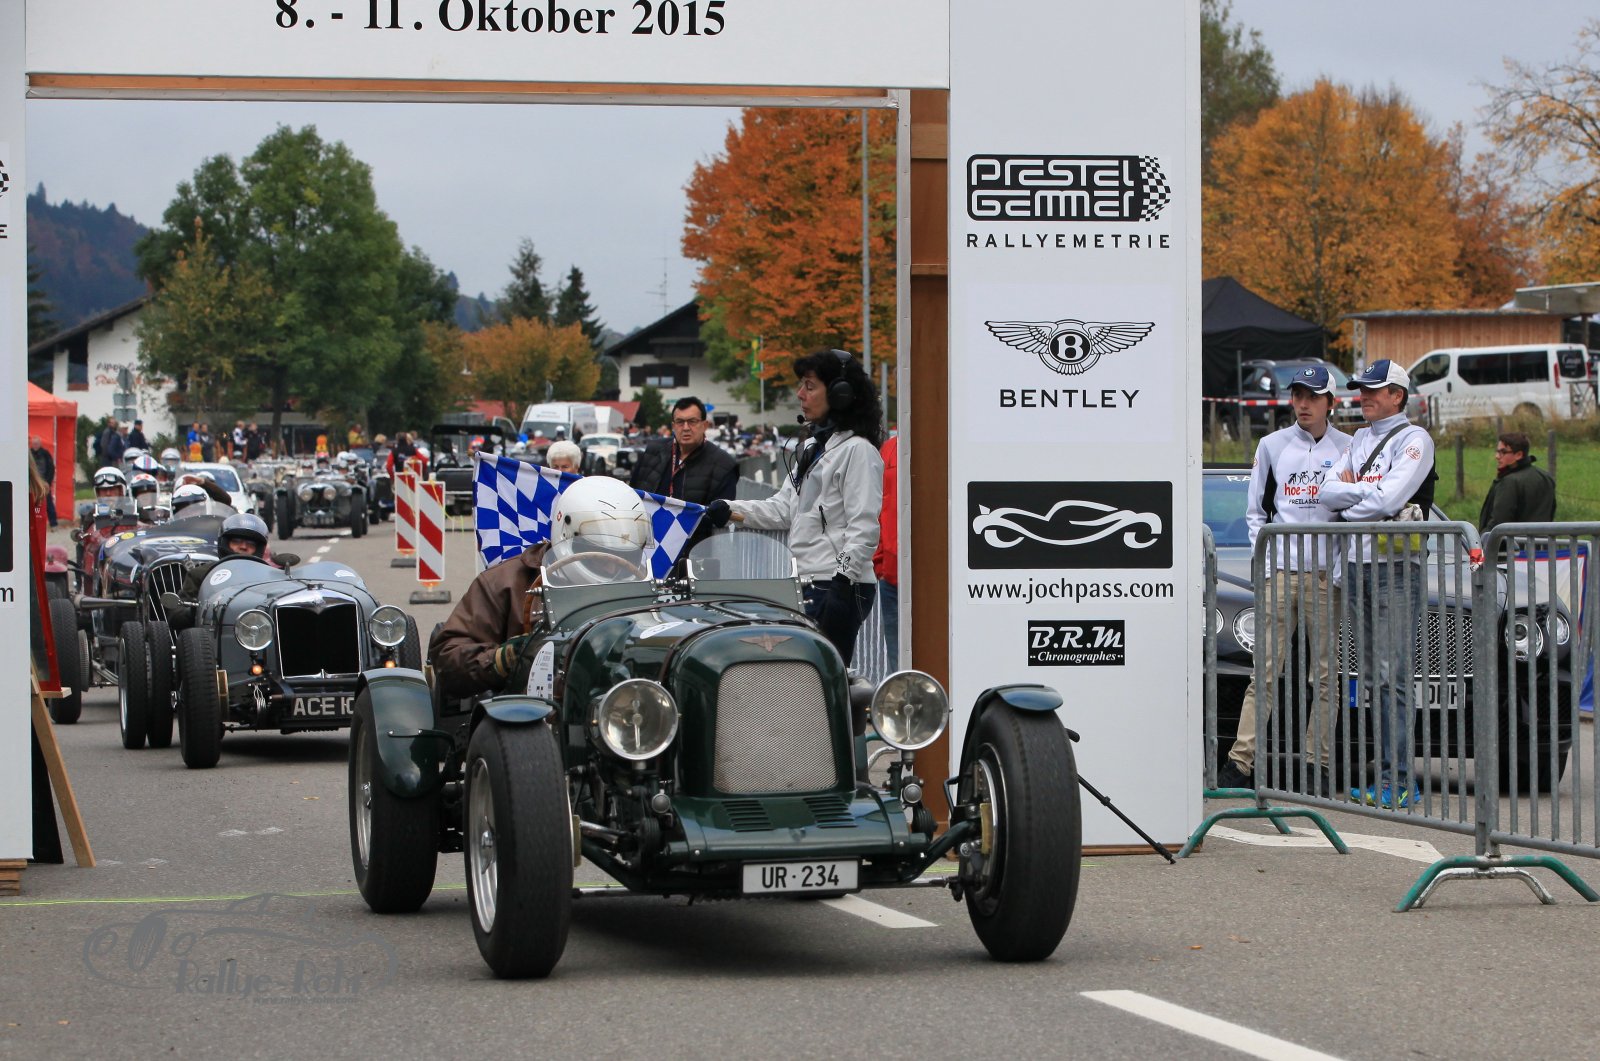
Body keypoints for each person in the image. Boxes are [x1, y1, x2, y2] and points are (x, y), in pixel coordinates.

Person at [1215, 365, 1352, 795]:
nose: (1303, 404)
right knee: (1264, 672)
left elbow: (1354, 512)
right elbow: (1256, 512)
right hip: (1281, 574)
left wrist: (1341, 568)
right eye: (1297, 396)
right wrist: (1266, 563)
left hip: (1326, 577)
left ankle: (1318, 766)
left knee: (1325, 676)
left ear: (1330, 402)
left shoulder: (1349, 448)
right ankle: (1241, 762)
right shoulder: (1271, 445)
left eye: (1312, 396)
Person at [706, 349, 884, 668]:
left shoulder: (858, 451)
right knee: (803, 676)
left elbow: (864, 528)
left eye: (810, 386)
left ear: (840, 394)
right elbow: (782, 509)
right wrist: (729, 509)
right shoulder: (813, 449)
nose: (800, 394)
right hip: (809, 581)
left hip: (838, 584)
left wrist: (842, 583)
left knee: (823, 676)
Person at [1319, 359, 1438, 810]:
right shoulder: (1358, 440)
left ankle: (1400, 780)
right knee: (1373, 678)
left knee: (1393, 677)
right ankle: (1386, 776)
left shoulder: (1414, 439)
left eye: (1374, 390)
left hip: (1396, 568)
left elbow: (1390, 499)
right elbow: (1326, 493)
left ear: (1397, 396)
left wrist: (1352, 499)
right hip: (1355, 565)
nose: (1364, 396)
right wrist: (1364, 498)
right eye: (1361, 389)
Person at [429, 476, 650, 699]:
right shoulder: (504, 582)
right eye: (601, 556)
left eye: (623, 556)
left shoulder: (641, 583)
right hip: (526, 708)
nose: (612, 567)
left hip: (623, 704)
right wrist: (505, 658)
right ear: (567, 536)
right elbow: (447, 659)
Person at [629, 396, 738, 552]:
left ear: (704, 425)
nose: (686, 427)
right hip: (647, 548)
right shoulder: (653, 452)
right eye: (680, 422)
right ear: (673, 426)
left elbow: (720, 518)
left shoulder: (723, 465)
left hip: (693, 553)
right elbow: (633, 496)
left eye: (692, 421)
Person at [166, 514, 270, 629]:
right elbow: (175, 618)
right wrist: (194, 610)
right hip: (208, 635)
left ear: (259, 548)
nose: (243, 547)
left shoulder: (269, 577)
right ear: (225, 542)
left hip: (258, 632)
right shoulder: (201, 574)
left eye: (251, 544)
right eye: (236, 541)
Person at [1479, 431, 1556, 534]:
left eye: (1503, 452)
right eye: (1497, 451)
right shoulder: (1546, 477)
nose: (1497, 456)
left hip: (1513, 543)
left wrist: (1482, 539)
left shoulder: (1509, 482)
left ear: (1518, 455)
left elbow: (1498, 523)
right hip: (1543, 542)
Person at [873, 433, 899, 668]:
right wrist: (880, 562)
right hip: (891, 576)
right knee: (898, 662)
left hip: (933, 580)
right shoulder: (889, 449)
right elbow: (878, 506)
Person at [30, 436, 57, 527]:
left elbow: (51, 468)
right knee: (32, 504)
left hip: (44, 483)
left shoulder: (45, 454)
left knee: (48, 504)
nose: (35, 445)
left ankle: (53, 523)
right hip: (32, 484)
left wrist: (48, 482)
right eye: (34, 443)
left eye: (36, 443)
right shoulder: (29, 454)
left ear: (40, 444)